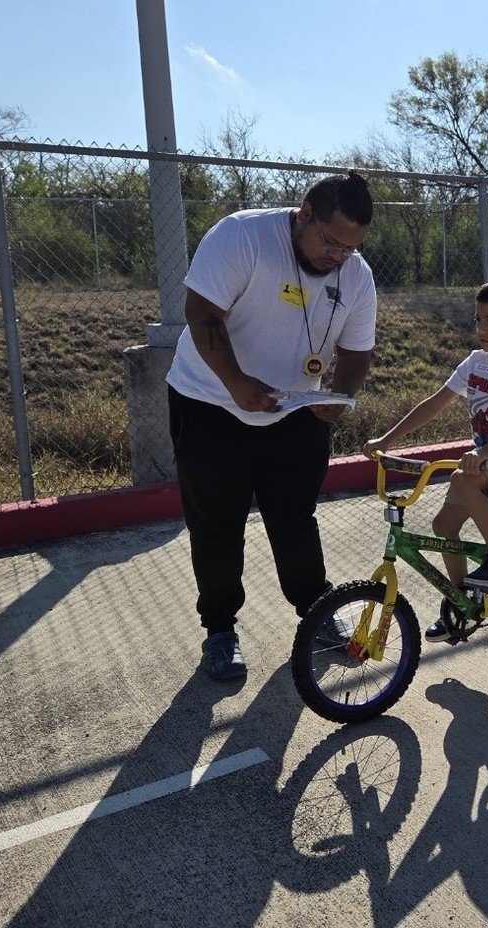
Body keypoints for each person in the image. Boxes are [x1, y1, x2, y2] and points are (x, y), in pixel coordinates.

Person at [166, 171, 376, 680]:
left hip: (294, 409)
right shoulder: (242, 236)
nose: (337, 257)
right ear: (305, 213)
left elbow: (356, 351)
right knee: (217, 522)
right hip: (210, 403)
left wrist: (340, 397)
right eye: (329, 241)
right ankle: (219, 631)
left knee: (295, 516)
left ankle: (314, 608)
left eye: (350, 248)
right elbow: (202, 313)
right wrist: (236, 383)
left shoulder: (356, 274)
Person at [363, 276, 488, 641]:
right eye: (477, 319)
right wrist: (387, 439)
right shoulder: (475, 363)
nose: (480, 328)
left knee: (461, 480)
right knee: (443, 528)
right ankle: (461, 604)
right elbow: (434, 403)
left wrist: (482, 453)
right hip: (487, 460)